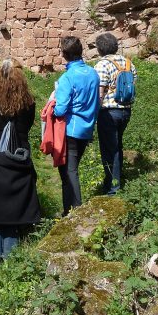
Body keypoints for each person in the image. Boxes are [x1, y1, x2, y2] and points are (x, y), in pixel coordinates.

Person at [0, 59, 39, 261]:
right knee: (14, 202)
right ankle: (11, 253)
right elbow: (28, 126)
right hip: (19, 152)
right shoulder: (28, 102)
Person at [53, 36, 100, 216]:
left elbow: (60, 109)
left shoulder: (68, 77)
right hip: (87, 128)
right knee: (69, 171)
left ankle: (77, 211)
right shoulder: (93, 73)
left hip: (71, 129)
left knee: (69, 171)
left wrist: (54, 103)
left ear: (64, 54)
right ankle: (67, 210)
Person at [94, 32, 137, 195]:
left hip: (109, 113)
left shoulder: (102, 65)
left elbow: (100, 93)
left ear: (100, 49)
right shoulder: (128, 63)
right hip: (126, 110)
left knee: (109, 150)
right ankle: (115, 180)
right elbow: (133, 84)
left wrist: (94, 114)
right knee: (117, 146)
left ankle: (113, 188)